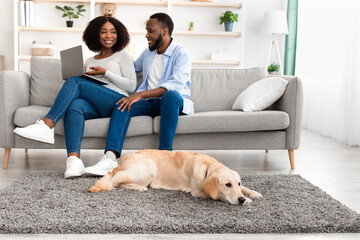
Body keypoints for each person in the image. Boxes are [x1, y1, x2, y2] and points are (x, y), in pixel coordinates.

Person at [13, 16, 137, 179]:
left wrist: (105, 73)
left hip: (116, 101)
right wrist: (84, 77)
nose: (109, 36)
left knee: (75, 82)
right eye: (104, 32)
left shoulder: (122, 55)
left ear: (119, 34)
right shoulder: (91, 59)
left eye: (113, 32)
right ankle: (73, 160)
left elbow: (131, 85)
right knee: (75, 105)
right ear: (95, 34)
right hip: (96, 103)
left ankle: (47, 124)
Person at [82, 12, 194, 176]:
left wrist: (140, 95)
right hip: (150, 103)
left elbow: (174, 85)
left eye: (150, 31)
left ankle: (165, 157)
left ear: (164, 31)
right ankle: (109, 158)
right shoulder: (149, 53)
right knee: (122, 103)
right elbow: (131, 67)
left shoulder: (181, 54)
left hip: (172, 102)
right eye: (146, 30)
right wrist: (104, 66)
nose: (146, 35)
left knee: (170, 95)